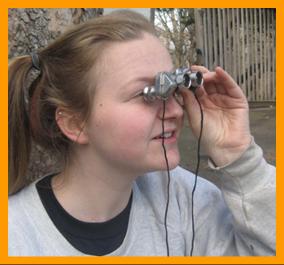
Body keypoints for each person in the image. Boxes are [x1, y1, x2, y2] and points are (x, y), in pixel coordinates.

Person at [8, 10, 275, 256]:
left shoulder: (183, 199)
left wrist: (240, 158)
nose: (175, 110)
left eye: (172, 88)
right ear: (75, 123)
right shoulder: (17, 238)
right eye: (147, 94)